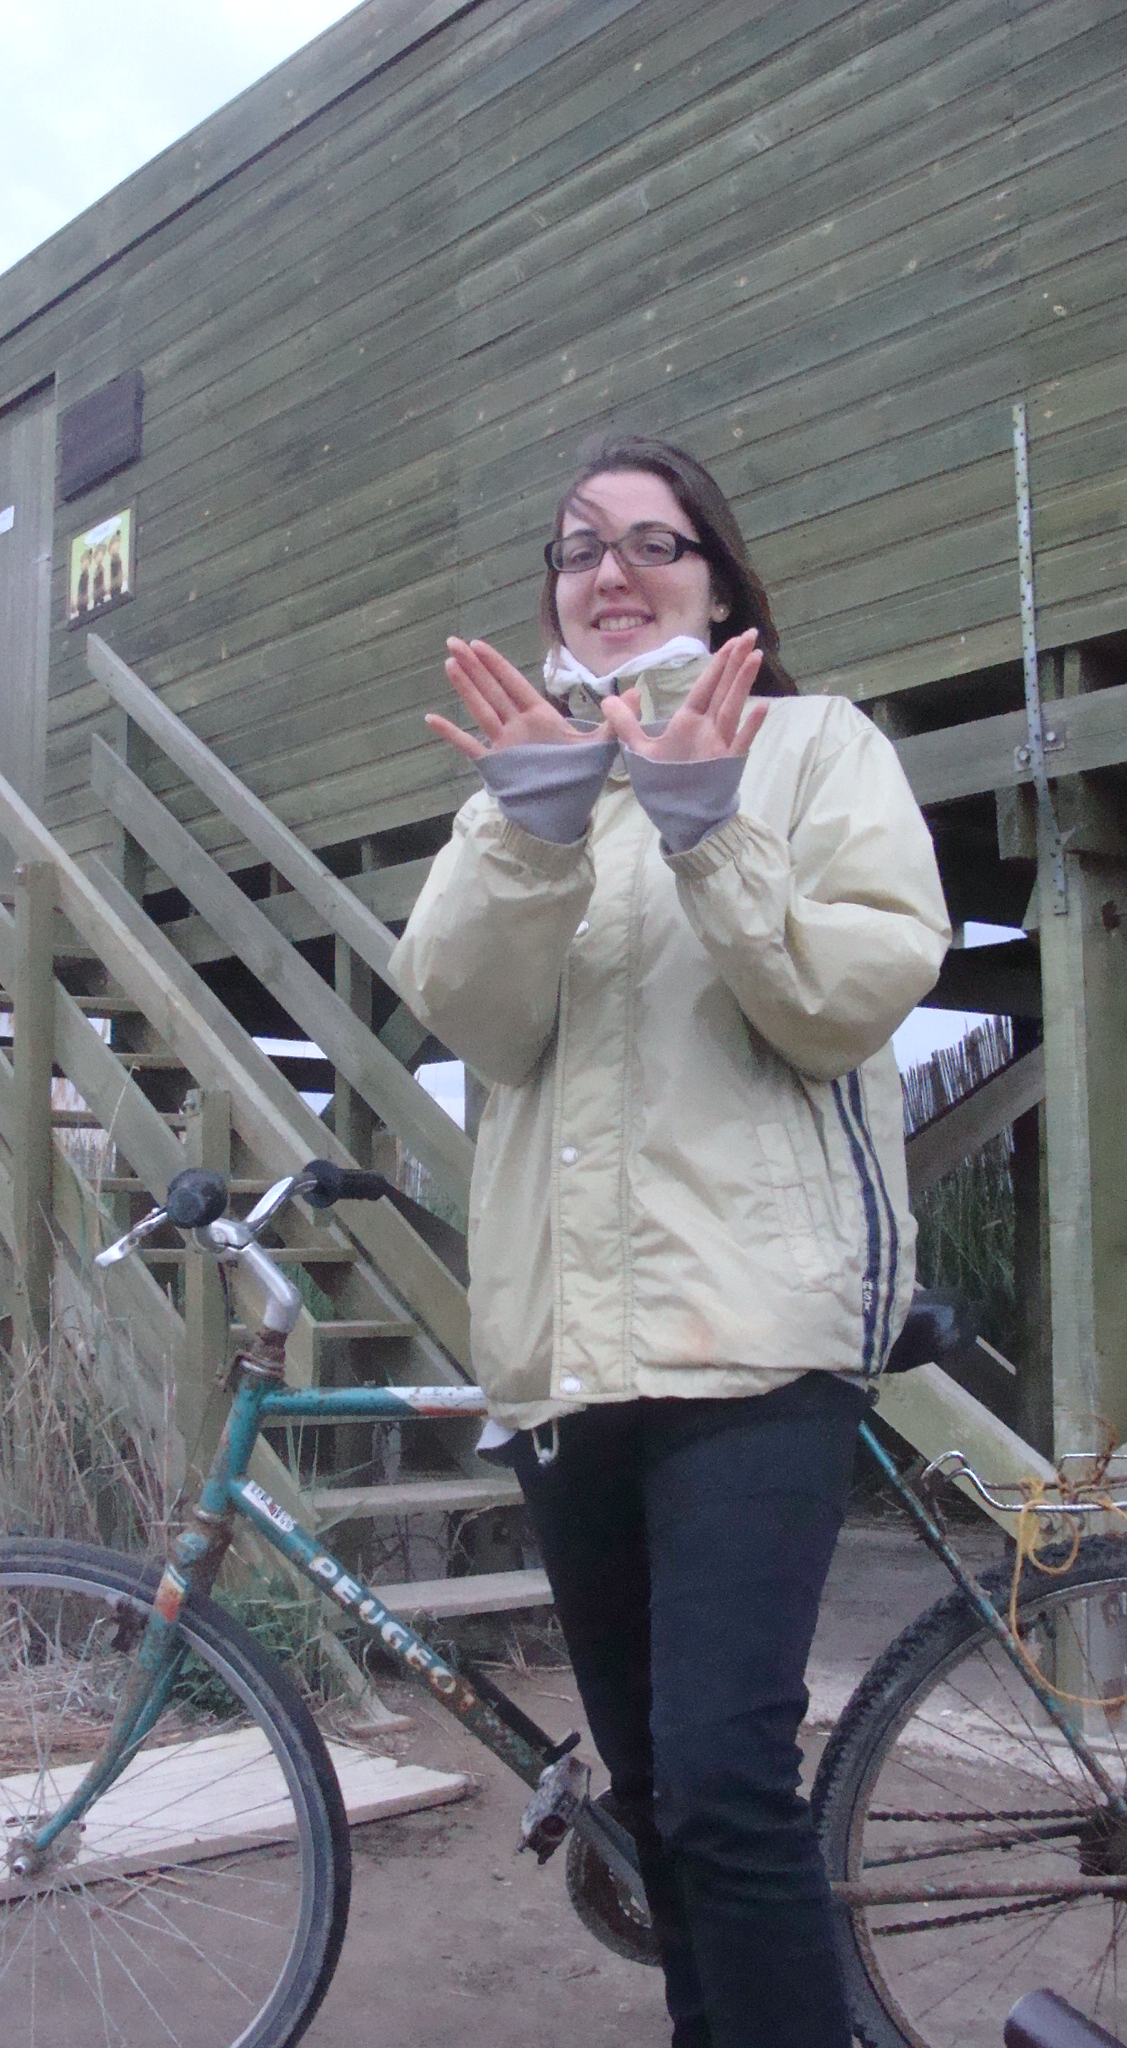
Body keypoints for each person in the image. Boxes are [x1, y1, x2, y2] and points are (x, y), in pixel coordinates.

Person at [386, 435, 951, 2048]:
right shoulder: (522, 787)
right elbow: (472, 1018)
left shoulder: (815, 746)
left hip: (755, 1342)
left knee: (721, 1781)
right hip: (567, 1363)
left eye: (654, 542)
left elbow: (843, 1002)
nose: (611, 572)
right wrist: (533, 832)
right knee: (653, 1797)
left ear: (720, 578)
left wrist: (709, 828)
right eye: (579, 549)